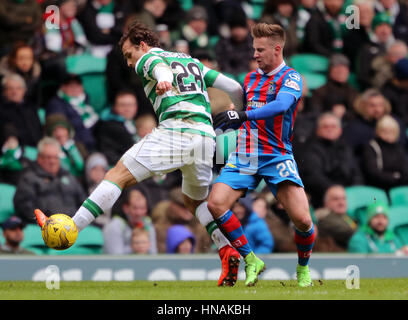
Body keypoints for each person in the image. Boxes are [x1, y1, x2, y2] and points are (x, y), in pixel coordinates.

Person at [35, 21, 245, 287]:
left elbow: (156, 67)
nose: (128, 62)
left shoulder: (149, 56)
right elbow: (234, 87)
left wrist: (165, 80)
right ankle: (226, 249)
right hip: (206, 138)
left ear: (142, 45)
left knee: (117, 175)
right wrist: (240, 115)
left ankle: (70, 228)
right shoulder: (191, 61)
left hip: (177, 131)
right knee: (194, 201)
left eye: (128, 54)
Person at [207, 23, 315, 287]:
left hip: (277, 155)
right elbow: (242, 113)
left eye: (260, 50)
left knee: (302, 220)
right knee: (215, 204)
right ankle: (251, 259)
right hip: (246, 153)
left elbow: (280, 106)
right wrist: (232, 118)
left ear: (277, 49)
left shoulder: (291, 78)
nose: (255, 54)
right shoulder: (250, 78)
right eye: (254, 49)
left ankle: (302, 269)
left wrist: (243, 114)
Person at [15, 137, 86, 224]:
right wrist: (46, 223)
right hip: (45, 229)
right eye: (48, 157)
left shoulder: (69, 177)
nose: (52, 161)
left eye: (55, 157)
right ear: (39, 158)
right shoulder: (29, 178)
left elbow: (83, 203)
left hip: (73, 227)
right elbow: (24, 206)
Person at [301, 112, 364, 208]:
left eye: (333, 126)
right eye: (325, 126)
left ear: (340, 130)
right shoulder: (310, 149)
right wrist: (336, 191)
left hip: (348, 195)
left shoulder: (345, 147)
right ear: (318, 130)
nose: (329, 129)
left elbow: (356, 173)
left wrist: (353, 190)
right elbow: (314, 177)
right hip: (322, 197)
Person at [46, 74, 98, 152]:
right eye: (70, 86)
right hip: (78, 147)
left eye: (77, 85)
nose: (74, 88)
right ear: (62, 87)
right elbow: (60, 127)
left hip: (94, 144)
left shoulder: (85, 104)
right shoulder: (56, 104)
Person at [103, 187, 157, 254]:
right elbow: (116, 259)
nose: (139, 213)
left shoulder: (148, 224)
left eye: (142, 208)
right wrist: (135, 248)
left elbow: (153, 254)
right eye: (135, 208)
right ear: (126, 208)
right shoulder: (114, 226)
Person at [362, 115, 408, 191]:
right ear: (378, 131)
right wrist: (395, 177)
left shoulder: (398, 147)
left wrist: (400, 178)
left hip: (399, 186)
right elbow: (373, 173)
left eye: (392, 131)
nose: (388, 134)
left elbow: (405, 168)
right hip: (377, 188)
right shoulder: (371, 147)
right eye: (385, 131)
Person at [94, 90, 140, 166]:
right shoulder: (109, 126)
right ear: (115, 107)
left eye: (131, 105)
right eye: (123, 105)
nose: (127, 109)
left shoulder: (130, 123)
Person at [310, 54, 359, 121]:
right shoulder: (319, 92)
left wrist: (345, 113)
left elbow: (358, 113)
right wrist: (331, 113)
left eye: (345, 68)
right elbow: (315, 113)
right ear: (330, 70)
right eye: (337, 67)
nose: (341, 71)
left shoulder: (353, 92)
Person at [0, 73, 42, 148]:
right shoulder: (2, 110)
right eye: (10, 89)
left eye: (18, 88)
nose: (14, 92)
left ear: (24, 90)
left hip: (38, 147)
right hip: (16, 150)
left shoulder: (31, 107)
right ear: (4, 91)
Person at [314, 185, 357, 252]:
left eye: (344, 198)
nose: (341, 202)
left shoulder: (346, 216)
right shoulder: (326, 217)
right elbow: (348, 232)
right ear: (326, 203)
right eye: (336, 199)